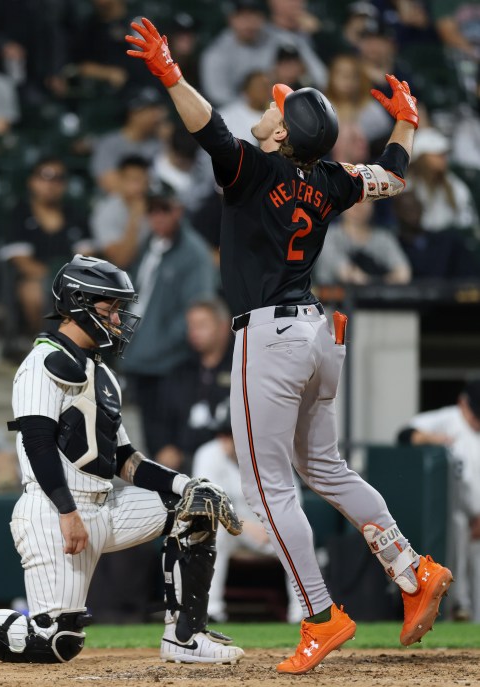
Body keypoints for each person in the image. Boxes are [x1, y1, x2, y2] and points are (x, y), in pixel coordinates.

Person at [126, 17, 452, 674]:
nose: (268, 109)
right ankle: (411, 570)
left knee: (268, 485)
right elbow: (392, 174)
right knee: (326, 469)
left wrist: (171, 74)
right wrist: (407, 121)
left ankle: (320, 613)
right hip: (316, 330)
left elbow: (206, 127)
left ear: (281, 134)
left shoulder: (252, 168)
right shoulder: (330, 178)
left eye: (276, 109)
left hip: (268, 335)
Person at [0, 255, 245, 665]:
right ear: (79, 303)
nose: (117, 318)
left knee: (195, 508)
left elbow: (127, 460)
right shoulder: (41, 364)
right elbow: (37, 443)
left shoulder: (101, 372)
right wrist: (66, 512)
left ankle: (185, 637)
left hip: (105, 506)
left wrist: (185, 485)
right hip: (53, 511)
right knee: (55, 640)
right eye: (109, 307)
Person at [121, 186, 216, 459]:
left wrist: (155, 345)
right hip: (142, 359)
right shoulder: (149, 244)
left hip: (173, 364)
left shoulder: (193, 253)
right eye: (152, 210)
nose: (158, 216)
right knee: (152, 441)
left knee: (172, 446)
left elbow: (197, 311)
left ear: (178, 210)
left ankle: (181, 499)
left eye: (164, 209)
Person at [192, 399, 303, 624]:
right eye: (220, 434)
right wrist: (245, 525)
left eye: (228, 434)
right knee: (214, 533)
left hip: (269, 532)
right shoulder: (208, 454)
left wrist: (272, 527)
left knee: (298, 539)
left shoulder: (271, 457)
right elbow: (208, 505)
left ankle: (303, 615)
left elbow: (293, 504)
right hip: (232, 530)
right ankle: (212, 611)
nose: (222, 440)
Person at [397, 379, 480, 623]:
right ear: (463, 403)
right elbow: (405, 435)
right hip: (458, 512)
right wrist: (433, 440)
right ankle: (458, 608)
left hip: (476, 516)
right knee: (456, 550)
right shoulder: (449, 419)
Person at [0, 156, 92, 334]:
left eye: (58, 178)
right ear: (32, 181)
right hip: (38, 280)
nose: (51, 184)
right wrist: (54, 281)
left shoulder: (75, 214)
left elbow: (87, 258)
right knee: (34, 292)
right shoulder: (20, 213)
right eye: (45, 177)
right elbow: (22, 262)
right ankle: (44, 344)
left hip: (73, 282)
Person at [155, 298, 233, 473]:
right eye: (191, 325)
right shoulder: (179, 371)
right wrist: (165, 446)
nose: (194, 332)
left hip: (231, 459)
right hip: (184, 460)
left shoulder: (243, 368)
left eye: (202, 325)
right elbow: (161, 419)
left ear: (223, 326)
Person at [90, 86, 167, 194]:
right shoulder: (110, 144)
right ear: (134, 114)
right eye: (151, 110)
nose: (157, 116)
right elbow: (110, 184)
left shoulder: (159, 143)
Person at [315, 200, 411, 285]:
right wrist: (384, 280)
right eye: (354, 200)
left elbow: (404, 274)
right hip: (333, 302)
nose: (359, 206)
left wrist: (373, 281)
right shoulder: (328, 236)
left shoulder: (384, 238)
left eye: (366, 200)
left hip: (377, 302)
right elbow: (348, 275)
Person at [408, 127, 479, 234]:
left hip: (453, 238)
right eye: (437, 154)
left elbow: (467, 218)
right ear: (422, 157)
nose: (443, 158)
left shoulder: (452, 181)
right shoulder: (409, 186)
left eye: (444, 154)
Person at [89, 154, 150, 269]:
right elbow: (121, 260)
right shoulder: (105, 212)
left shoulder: (156, 206)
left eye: (145, 181)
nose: (141, 187)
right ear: (121, 180)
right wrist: (135, 217)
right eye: (135, 180)